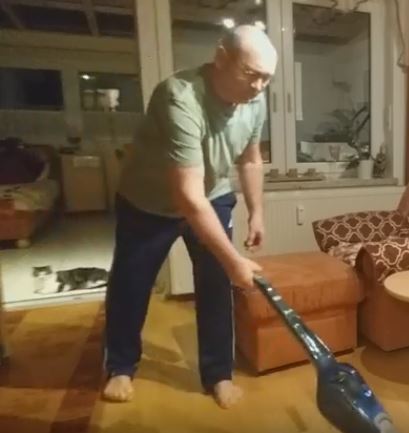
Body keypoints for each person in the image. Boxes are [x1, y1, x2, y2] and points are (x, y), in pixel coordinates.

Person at [103, 24, 278, 409]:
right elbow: (187, 196)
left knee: (216, 286)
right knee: (132, 284)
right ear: (221, 58)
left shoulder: (256, 100)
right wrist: (234, 262)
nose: (258, 86)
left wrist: (257, 214)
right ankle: (120, 366)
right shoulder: (178, 96)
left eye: (266, 78)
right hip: (147, 202)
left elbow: (251, 160)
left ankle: (219, 374)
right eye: (251, 74)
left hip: (211, 194)